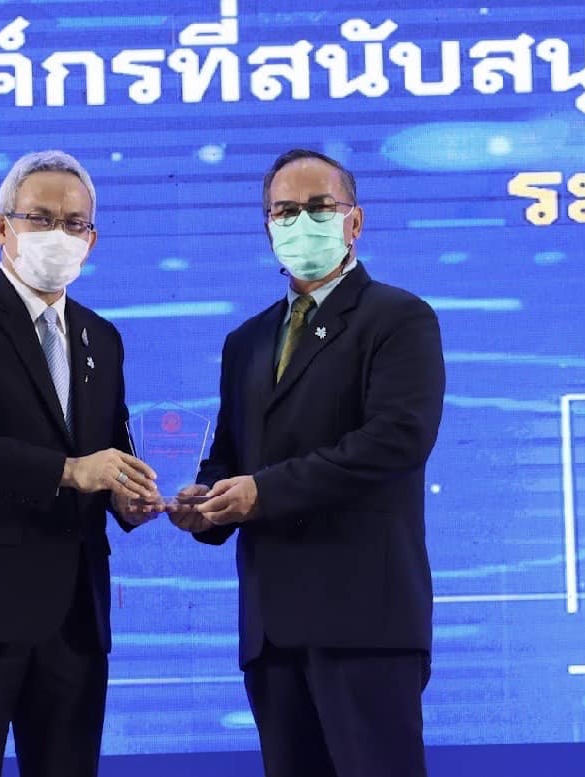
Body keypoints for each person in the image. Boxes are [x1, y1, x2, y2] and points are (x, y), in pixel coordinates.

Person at [171, 148, 446, 777]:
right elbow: (232, 456)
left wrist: (261, 493)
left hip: (365, 622)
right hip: (272, 629)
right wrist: (205, 504)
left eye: (320, 207)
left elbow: (396, 440)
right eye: (285, 211)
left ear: (355, 220)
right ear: (268, 225)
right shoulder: (246, 341)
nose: (302, 222)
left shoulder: (398, 318)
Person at [0, 149, 159, 777]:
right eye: (40, 218)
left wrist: (129, 496)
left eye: (75, 223)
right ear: (3, 227)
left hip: (74, 618)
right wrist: (70, 472)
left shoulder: (103, 337)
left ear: (92, 239)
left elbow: (111, 449)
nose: (58, 234)